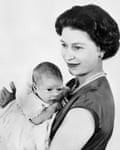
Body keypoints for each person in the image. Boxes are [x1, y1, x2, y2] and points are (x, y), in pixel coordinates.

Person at [0, 4, 120, 150]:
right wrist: (16, 105)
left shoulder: (86, 109)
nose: (68, 56)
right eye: (64, 45)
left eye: (77, 47)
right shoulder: (76, 84)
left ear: (101, 49)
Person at [0, 61, 69, 150]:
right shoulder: (33, 101)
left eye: (58, 89)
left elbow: (65, 91)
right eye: (49, 89)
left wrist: (65, 91)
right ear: (35, 88)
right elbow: (35, 120)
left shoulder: (53, 96)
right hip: (26, 131)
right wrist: (53, 108)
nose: (55, 93)